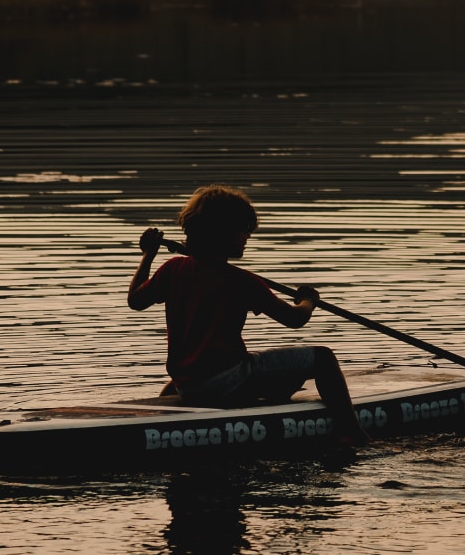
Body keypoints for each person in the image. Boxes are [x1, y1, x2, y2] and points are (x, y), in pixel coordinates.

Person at [128, 183, 369, 445]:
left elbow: (135, 300)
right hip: (228, 381)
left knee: (209, 372)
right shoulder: (241, 281)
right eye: (244, 231)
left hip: (188, 384)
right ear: (225, 233)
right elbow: (295, 318)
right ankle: (351, 432)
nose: (247, 237)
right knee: (323, 358)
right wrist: (309, 300)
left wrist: (147, 256)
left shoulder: (172, 269)